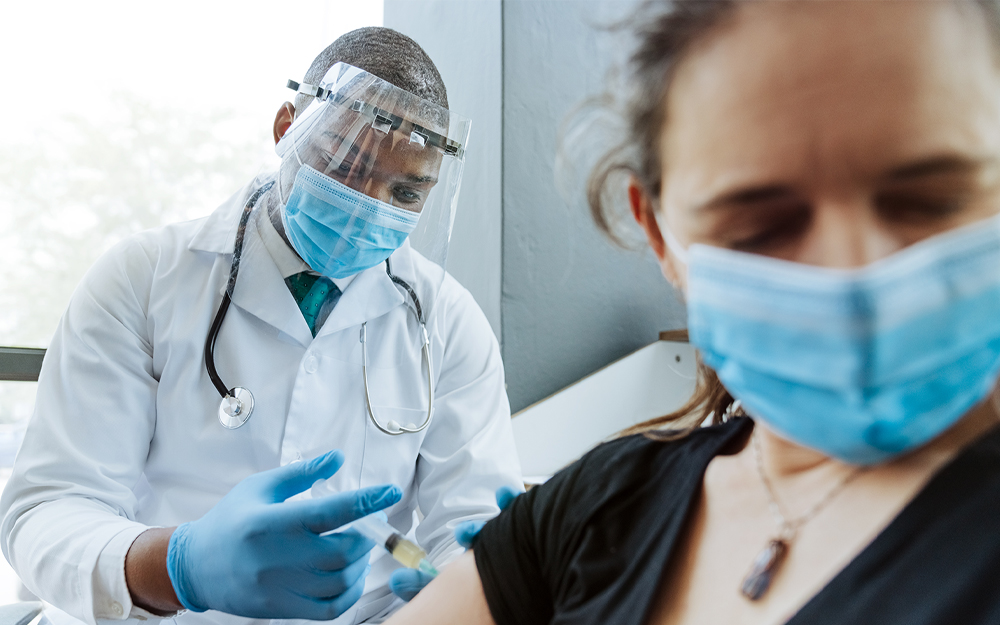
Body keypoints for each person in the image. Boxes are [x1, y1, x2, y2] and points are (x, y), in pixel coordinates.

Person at [383, 1, 1000, 623]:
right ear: (658, 236)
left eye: (931, 200)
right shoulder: (602, 509)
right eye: (760, 226)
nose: (851, 270)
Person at [0, 27, 521, 625]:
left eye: (405, 191)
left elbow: (471, 525)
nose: (369, 203)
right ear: (286, 127)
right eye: (347, 166)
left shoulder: (447, 321)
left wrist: (474, 583)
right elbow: (47, 511)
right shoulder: (144, 278)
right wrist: (181, 567)